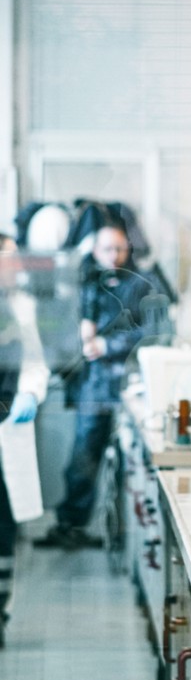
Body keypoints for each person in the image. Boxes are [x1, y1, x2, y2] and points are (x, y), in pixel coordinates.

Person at [35, 221, 153, 550]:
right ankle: (72, 525)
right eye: (107, 249)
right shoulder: (83, 280)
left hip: (125, 384)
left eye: (120, 248)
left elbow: (147, 330)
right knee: (83, 456)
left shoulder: (138, 284)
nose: (114, 255)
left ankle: (118, 531)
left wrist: (107, 345)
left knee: (119, 461)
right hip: (92, 385)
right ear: (95, 250)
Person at [0, 261, 49, 650]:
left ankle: (0, 612)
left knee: (3, 529)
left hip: (6, 425)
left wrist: (30, 392)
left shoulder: (21, 306)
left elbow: (35, 362)